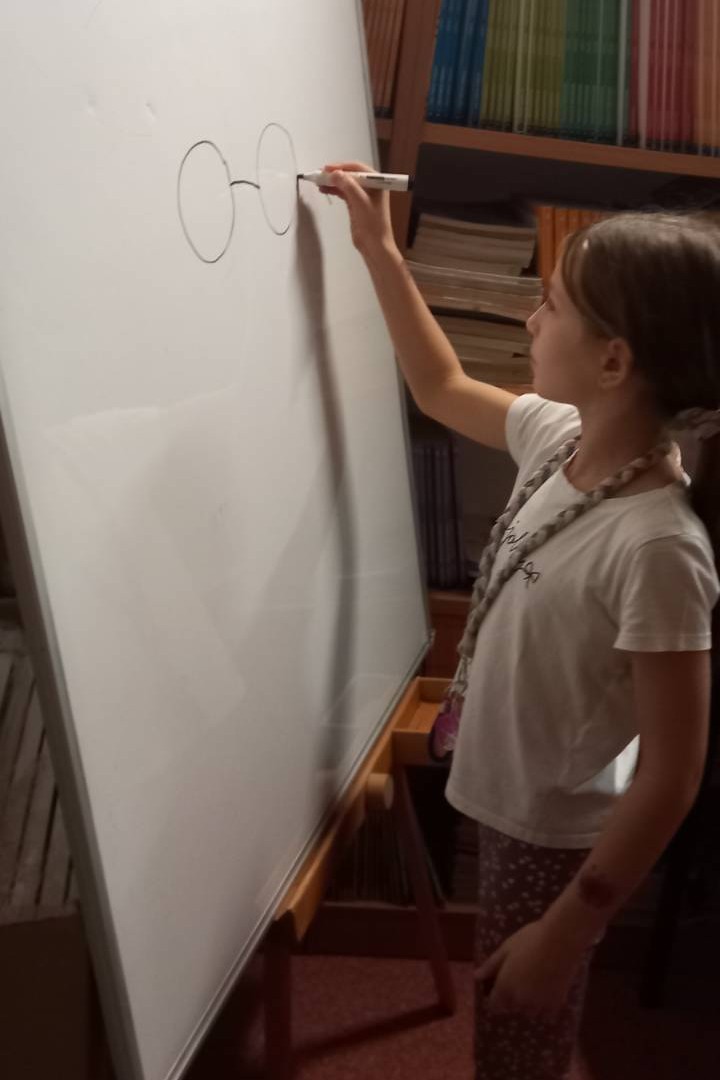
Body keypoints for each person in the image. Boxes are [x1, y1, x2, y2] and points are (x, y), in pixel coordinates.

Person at [322, 161, 720, 1079]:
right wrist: (380, 251)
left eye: (550, 306)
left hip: (553, 836)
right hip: (511, 800)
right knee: (507, 1020)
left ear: (614, 361)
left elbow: (672, 774)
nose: (531, 321)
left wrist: (568, 930)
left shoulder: (658, 548)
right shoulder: (561, 439)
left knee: (518, 1033)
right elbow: (439, 384)